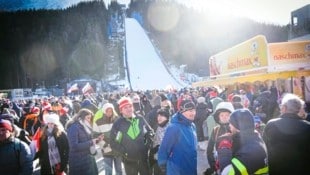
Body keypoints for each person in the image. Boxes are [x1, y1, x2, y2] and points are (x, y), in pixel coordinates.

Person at [263, 93, 310, 174]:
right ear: (299, 110)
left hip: (277, 171)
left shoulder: (271, 125)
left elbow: (265, 148)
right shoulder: (307, 126)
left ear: (284, 108)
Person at [110, 96, 151, 175]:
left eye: (130, 106)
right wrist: (125, 152)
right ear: (121, 110)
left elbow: (150, 132)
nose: (129, 109)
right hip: (129, 161)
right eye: (125, 107)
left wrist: (147, 146)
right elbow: (113, 143)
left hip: (143, 158)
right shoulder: (118, 124)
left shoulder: (140, 119)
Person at [221, 109, 268, 175]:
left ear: (238, 126)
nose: (229, 125)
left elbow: (227, 173)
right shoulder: (254, 138)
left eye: (231, 123)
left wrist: (224, 148)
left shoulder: (251, 151)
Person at [157, 99, 198, 175]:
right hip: (177, 170)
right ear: (182, 111)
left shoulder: (192, 126)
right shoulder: (174, 128)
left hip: (191, 167)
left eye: (194, 110)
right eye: (190, 111)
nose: (193, 113)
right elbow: (164, 148)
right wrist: (163, 165)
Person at [66, 108, 102, 175]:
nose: (89, 120)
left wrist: (97, 140)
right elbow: (74, 146)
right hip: (78, 161)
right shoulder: (74, 127)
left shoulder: (84, 126)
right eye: (88, 118)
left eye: (90, 118)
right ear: (82, 117)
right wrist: (91, 142)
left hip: (87, 159)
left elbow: (87, 140)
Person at [93, 103, 122, 175]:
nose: (109, 113)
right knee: (108, 171)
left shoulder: (117, 119)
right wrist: (105, 146)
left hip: (117, 150)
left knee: (119, 171)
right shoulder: (98, 122)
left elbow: (121, 133)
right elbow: (95, 137)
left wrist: (117, 143)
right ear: (104, 111)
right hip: (106, 151)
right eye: (107, 111)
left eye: (111, 111)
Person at [205, 102, 234, 175]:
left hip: (234, 167)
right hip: (219, 166)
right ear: (218, 117)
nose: (224, 117)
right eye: (222, 115)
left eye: (227, 115)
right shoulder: (215, 130)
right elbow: (209, 150)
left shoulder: (235, 130)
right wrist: (213, 165)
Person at [149, 109, 170, 175]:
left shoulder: (170, 129)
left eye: (162, 116)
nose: (159, 118)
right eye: (158, 116)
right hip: (157, 160)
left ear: (167, 117)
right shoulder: (160, 126)